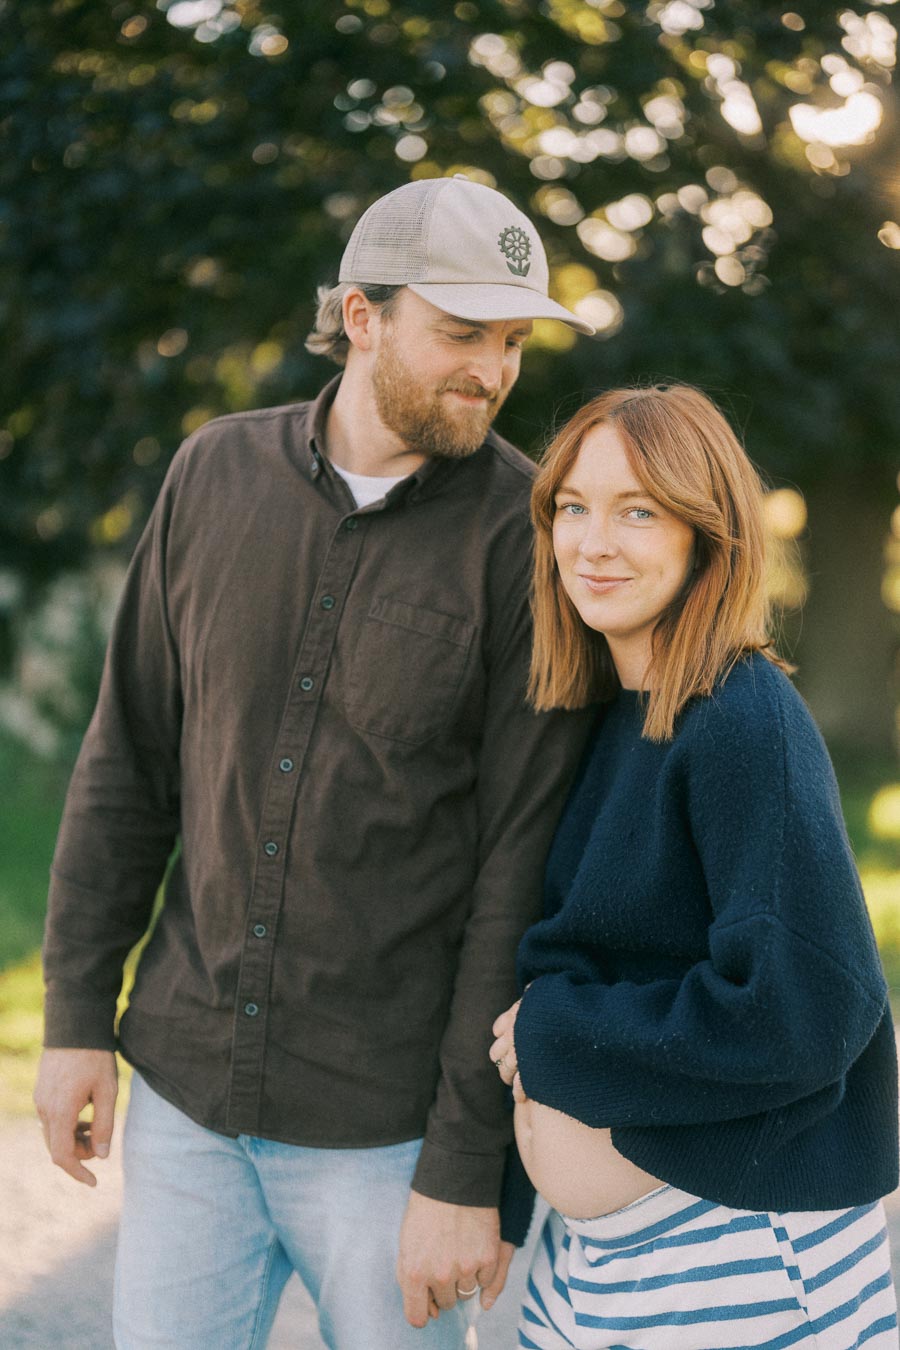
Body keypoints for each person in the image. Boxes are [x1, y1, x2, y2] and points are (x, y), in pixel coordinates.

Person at [33, 175, 596, 1350]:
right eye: (460, 334)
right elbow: (126, 762)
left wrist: (464, 1170)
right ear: (361, 317)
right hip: (186, 1102)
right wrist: (78, 1016)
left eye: (510, 342)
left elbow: (517, 877)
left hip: (389, 1141)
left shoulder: (530, 541)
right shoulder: (211, 476)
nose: (491, 371)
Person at [489, 385, 899, 1349]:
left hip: (734, 1256)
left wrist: (558, 1029)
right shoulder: (613, 714)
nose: (594, 541)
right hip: (601, 1266)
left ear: (707, 537)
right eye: (573, 507)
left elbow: (807, 1009)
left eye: (638, 511)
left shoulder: (742, 720)